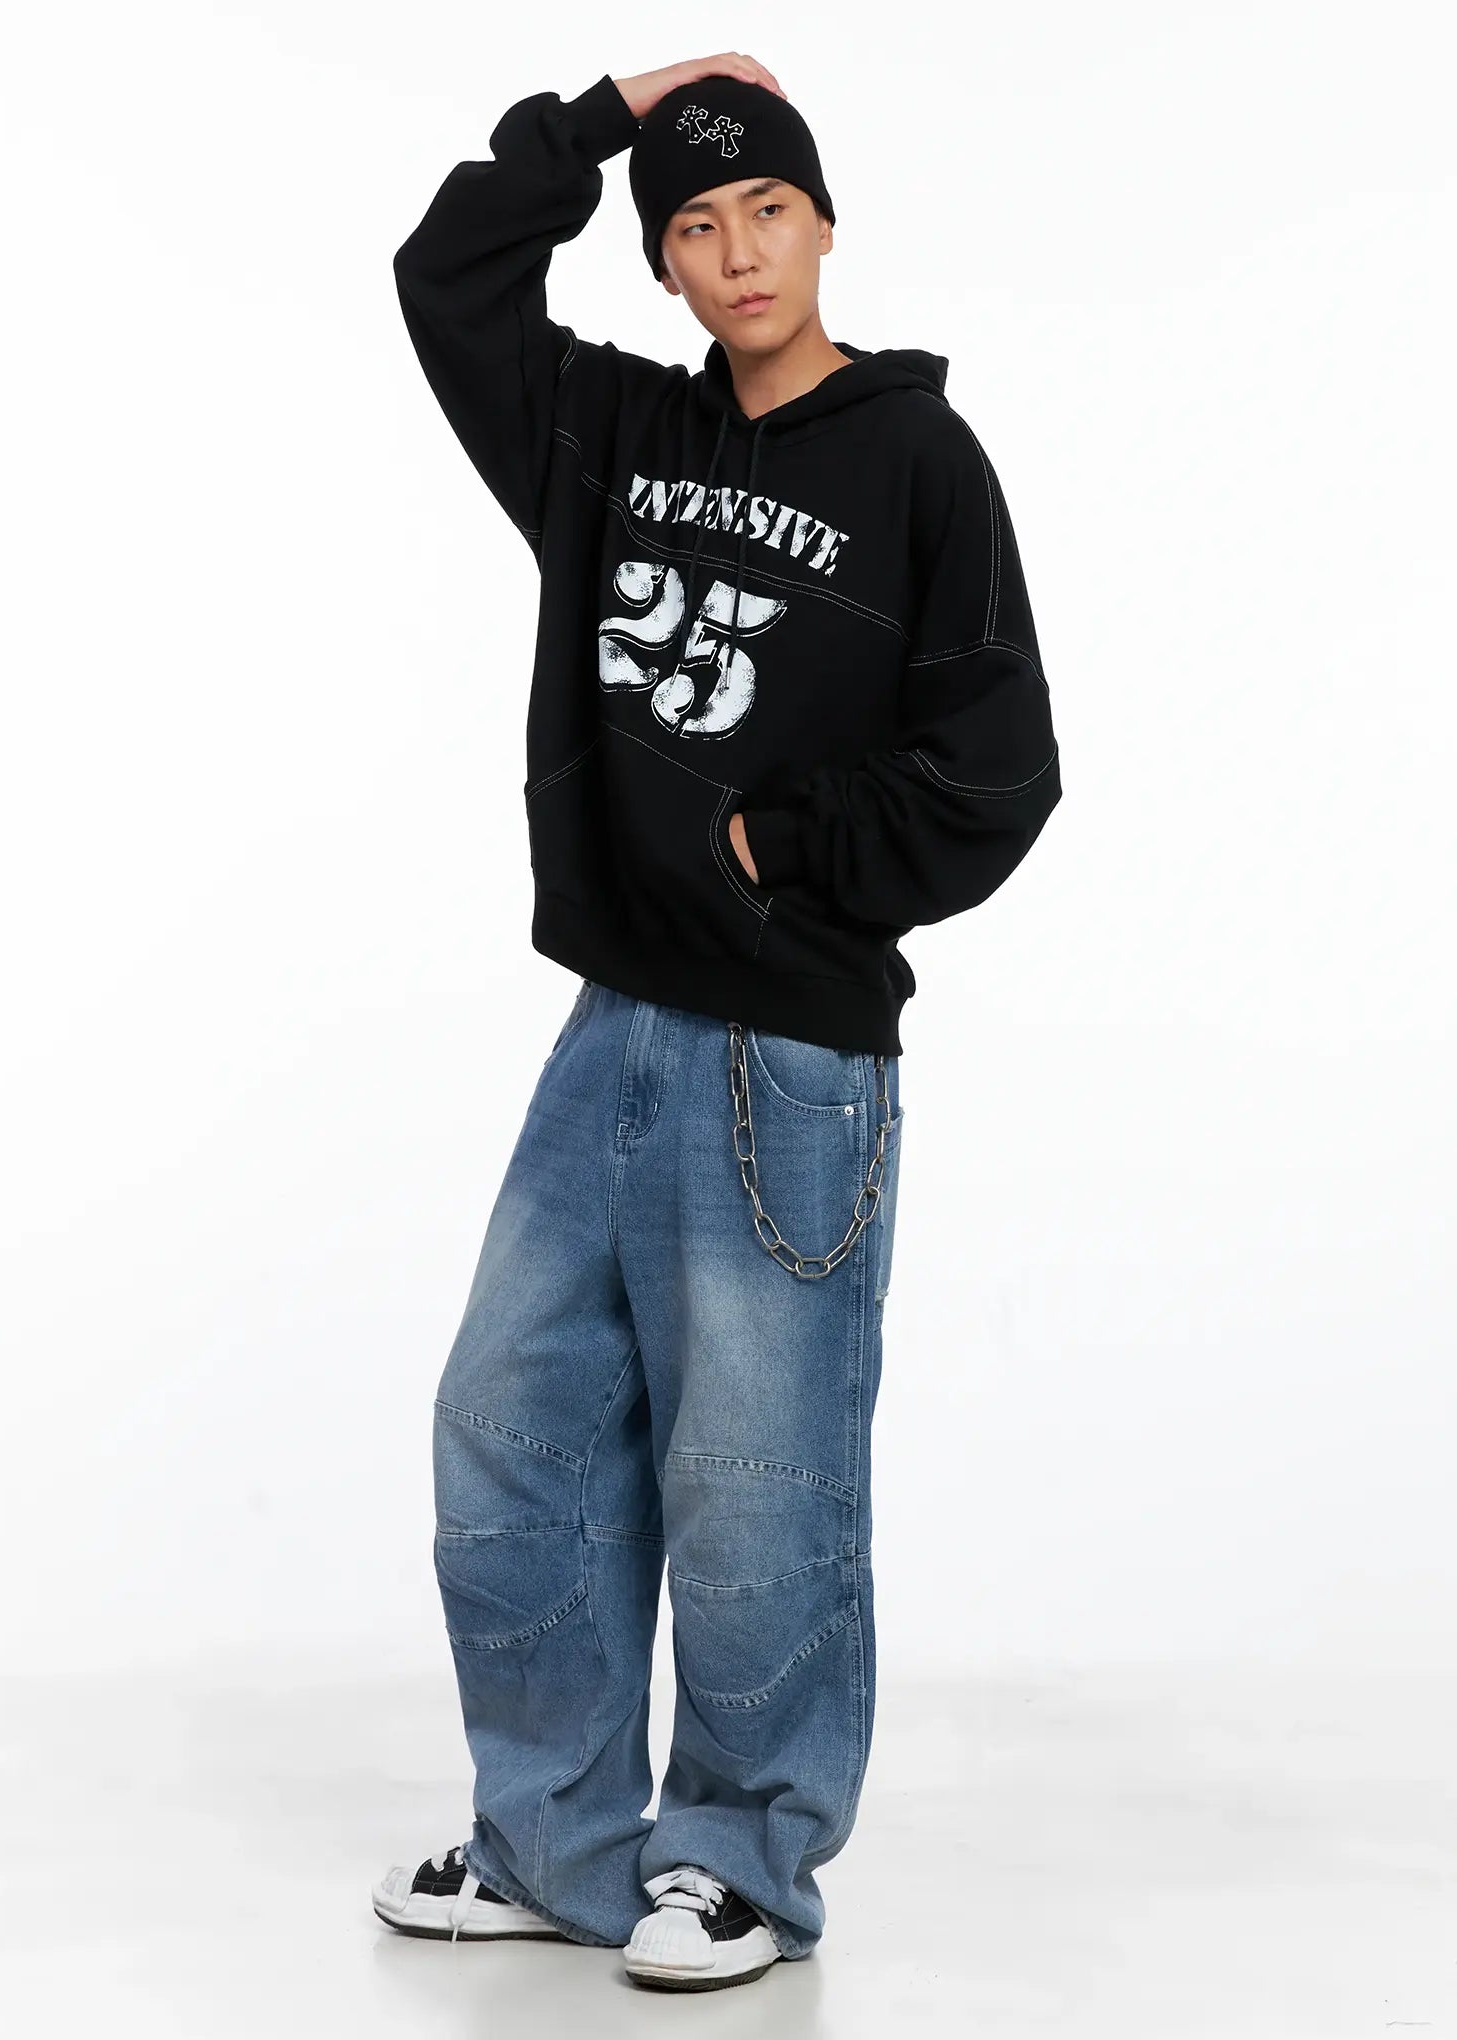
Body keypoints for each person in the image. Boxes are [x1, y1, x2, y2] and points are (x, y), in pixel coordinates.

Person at [373, 52, 1062, 1991]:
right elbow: (448, 275)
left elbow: (1001, 766)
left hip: (790, 1062)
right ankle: (558, 1842)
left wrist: (789, 842)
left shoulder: (921, 464)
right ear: (664, 267)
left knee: (755, 1484)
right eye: (695, 223)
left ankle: (743, 1861)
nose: (740, 249)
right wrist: (612, 106)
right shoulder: (608, 434)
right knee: (508, 1428)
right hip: (610, 1027)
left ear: (826, 226)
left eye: (769, 208)